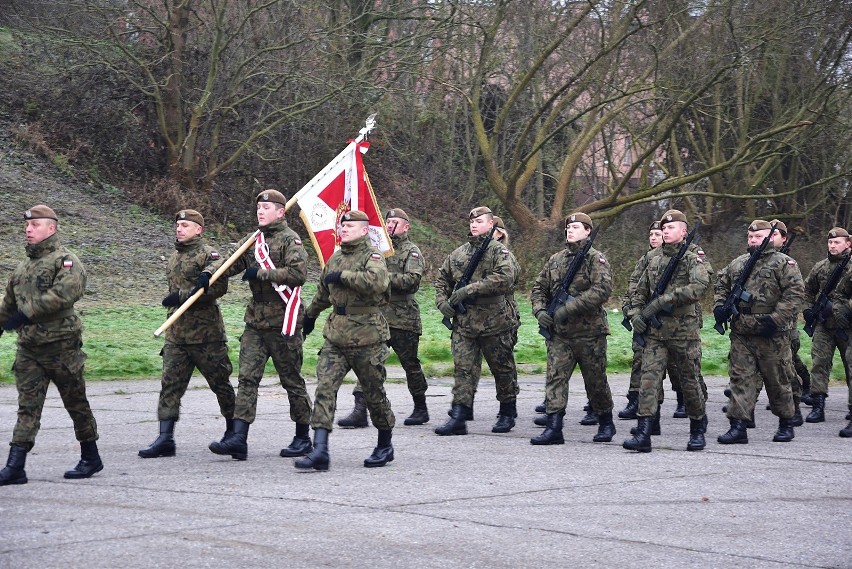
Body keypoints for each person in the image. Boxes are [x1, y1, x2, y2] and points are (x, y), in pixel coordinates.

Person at [197, 190, 312, 461]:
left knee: (291, 380)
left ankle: (303, 436)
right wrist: (208, 274)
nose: (260, 211)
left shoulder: (290, 240)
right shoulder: (253, 240)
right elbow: (228, 260)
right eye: (258, 207)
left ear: (281, 212)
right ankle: (239, 438)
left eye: (267, 207)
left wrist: (261, 273)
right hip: (256, 321)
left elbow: (298, 275)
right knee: (247, 378)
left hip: (284, 319)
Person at [0, 205, 102, 485]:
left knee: (75, 402)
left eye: (35, 226)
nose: (28, 230)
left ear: (51, 229)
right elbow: (9, 302)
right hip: (29, 348)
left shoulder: (66, 261)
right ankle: (15, 466)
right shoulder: (23, 266)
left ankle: (91, 457)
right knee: (27, 406)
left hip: (61, 345)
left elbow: (66, 293)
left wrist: (27, 313)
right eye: (27, 226)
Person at [296, 210, 396, 470]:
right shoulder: (336, 257)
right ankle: (320, 450)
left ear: (364, 230)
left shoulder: (373, 256)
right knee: (325, 389)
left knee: (374, 394)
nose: (344, 229)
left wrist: (343, 277)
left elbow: (377, 282)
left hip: (368, 337)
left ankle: (385, 444)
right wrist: (309, 317)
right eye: (343, 225)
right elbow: (322, 291)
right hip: (336, 336)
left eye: (350, 225)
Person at [139, 209, 236, 458]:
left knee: (220, 384)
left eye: (185, 225)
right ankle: (165, 438)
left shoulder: (209, 255)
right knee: (170, 385)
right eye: (178, 225)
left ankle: (234, 432)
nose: (179, 229)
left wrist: (183, 295)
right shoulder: (174, 256)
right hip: (177, 335)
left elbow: (219, 286)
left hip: (206, 336)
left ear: (198, 229)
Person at [623, 209, 709, 453]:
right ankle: (644, 432)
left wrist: (665, 300)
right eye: (663, 228)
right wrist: (636, 314)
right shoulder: (653, 258)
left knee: (689, 381)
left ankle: (697, 427)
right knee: (648, 381)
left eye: (671, 228)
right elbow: (639, 291)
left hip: (683, 332)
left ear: (683, 232)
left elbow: (699, 287)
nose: (666, 231)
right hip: (655, 334)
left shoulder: (692, 258)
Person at [337, 208, 430, 428]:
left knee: (410, 364)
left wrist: (381, 278)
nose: (389, 226)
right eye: (387, 222)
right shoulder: (375, 250)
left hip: (403, 318)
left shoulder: (411, 251)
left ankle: (420, 406)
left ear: (406, 226)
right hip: (378, 317)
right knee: (369, 361)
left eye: (395, 222)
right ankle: (360, 410)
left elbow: (412, 281)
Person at [715, 220, 804, 445]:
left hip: (771, 333)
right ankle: (738, 426)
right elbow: (722, 285)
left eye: (758, 237)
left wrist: (776, 319)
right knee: (740, 378)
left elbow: (795, 294)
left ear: (770, 238)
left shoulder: (784, 263)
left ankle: (786, 422)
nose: (753, 240)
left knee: (777, 379)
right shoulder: (738, 263)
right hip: (742, 331)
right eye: (750, 237)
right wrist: (719, 306)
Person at [530, 212, 615, 445]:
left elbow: (601, 291)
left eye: (576, 227)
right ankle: (554, 427)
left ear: (588, 231)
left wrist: (568, 308)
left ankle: (606, 422)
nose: (570, 230)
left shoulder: (595, 259)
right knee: (555, 377)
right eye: (568, 227)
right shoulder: (556, 259)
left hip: (589, 333)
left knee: (595, 381)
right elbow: (538, 288)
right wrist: (540, 311)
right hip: (560, 334)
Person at [434, 206, 519, 436]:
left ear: (491, 225)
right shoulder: (459, 253)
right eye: (472, 221)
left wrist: (470, 289)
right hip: (465, 323)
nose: (474, 225)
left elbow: (506, 278)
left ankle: (507, 410)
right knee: (463, 368)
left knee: (501, 368)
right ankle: (460, 415)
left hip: (495, 320)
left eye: (479, 221)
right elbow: (442, 279)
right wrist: (442, 302)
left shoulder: (499, 252)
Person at [801, 227, 852, 425]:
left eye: (836, 242)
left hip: (847, 325)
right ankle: (818, 405)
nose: (832, 246)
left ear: (848, 244)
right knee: (820, 363)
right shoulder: (820, 267)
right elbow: (807, 291)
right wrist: (807, 310)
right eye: (830, 242)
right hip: (824, 325)